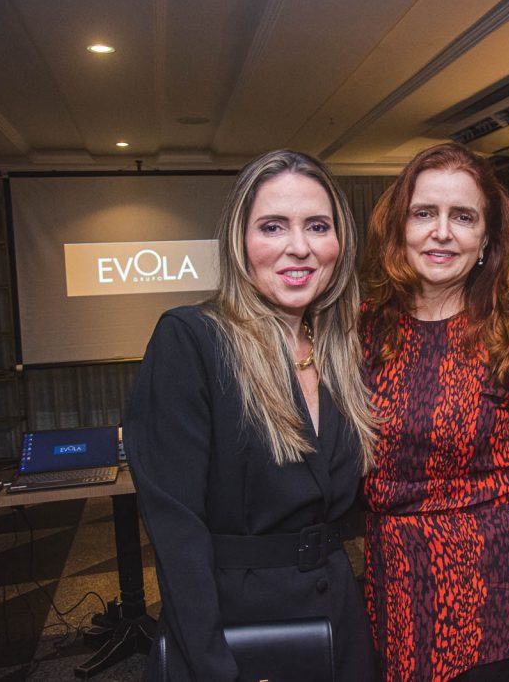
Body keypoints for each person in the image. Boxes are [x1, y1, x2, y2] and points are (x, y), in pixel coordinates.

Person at [124, 150, 380, 681]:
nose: (300, 247)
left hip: (338, 621)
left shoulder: (341, 350)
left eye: (317, 226)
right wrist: (216, 668)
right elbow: (177, 534)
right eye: (272, 226)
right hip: (235, 631)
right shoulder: (192, 339)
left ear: (341, 241)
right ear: (240, 242)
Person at [359, 142, 509, 681]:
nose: (442, 232)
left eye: (463, 217)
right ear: (398, 229)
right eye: (424, 213)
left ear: (486, 241)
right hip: (396, 594)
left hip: (505, 602)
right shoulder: (360, 330)